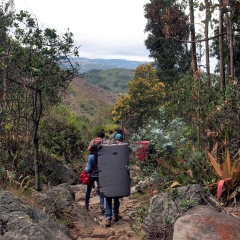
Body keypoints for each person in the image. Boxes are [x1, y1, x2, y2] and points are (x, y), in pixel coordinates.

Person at [105, 132, 123, 227]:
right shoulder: (122, 149)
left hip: (108, 177)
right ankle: (115, 215)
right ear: (121, 139)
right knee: (116, 197)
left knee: (108, 198)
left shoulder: (108, 149)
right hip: (117, 177)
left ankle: (108, 218)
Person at [84, 145, 105, 213]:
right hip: (100, 175)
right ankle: (102, 205)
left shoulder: (91, 157)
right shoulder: (101, 156)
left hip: (92, 176)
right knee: (100, 190)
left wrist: (85, 170)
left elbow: (89, 169)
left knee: (88, 190)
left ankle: (86, 204)